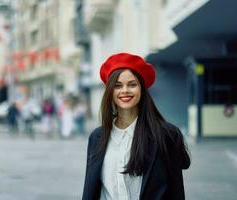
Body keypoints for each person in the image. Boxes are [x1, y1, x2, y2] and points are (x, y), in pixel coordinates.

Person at [82, 53, 191, 200]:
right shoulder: (96, 137)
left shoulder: (166, 135)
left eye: (132, 84)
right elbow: (89, 189)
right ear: (110, 92)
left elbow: (176, 191)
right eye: (117, 86)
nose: (125, 90)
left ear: (142, 89)